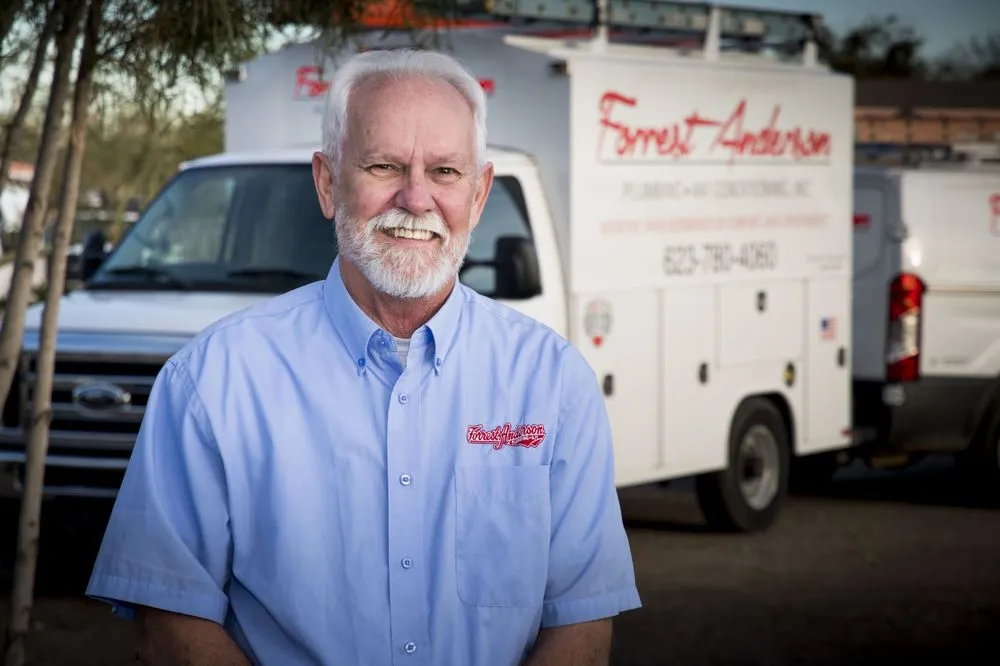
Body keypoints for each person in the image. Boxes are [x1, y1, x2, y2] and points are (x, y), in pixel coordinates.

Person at [86, 47, 641, 665]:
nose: (416, 198)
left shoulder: (553, 382)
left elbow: (582, 625)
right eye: (384, 165)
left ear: (479, 195)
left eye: (446, 172)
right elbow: (171, 620)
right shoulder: (212, 381)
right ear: (328, 183)